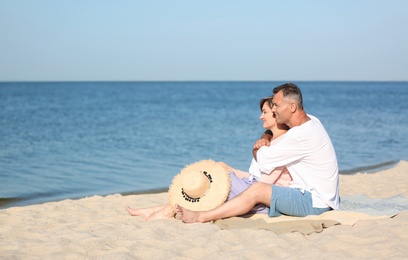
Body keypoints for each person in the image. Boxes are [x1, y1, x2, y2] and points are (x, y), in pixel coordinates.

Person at [175, 82, 340, 223]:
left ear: (292, 107)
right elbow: (276, 134)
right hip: (320, 197)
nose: (273, 110)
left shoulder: (299, 136)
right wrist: (266, 135)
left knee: (258, 190)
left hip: (314, 202)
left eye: (276, 105)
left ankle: (201, 217)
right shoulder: (311, 121)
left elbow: (263, 160)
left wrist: (257, 146)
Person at [126, 96, 292, 220]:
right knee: (218, 168)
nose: (260, 117)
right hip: (256, 186)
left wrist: (232, 174)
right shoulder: (271, 140)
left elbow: (263, 185)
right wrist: (231, 169)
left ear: (276, 114)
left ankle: (165, 211)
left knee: (214, 184)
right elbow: (257, 178)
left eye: (264, 112)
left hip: (263, 198)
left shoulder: (282, 145)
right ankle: (162, 209)